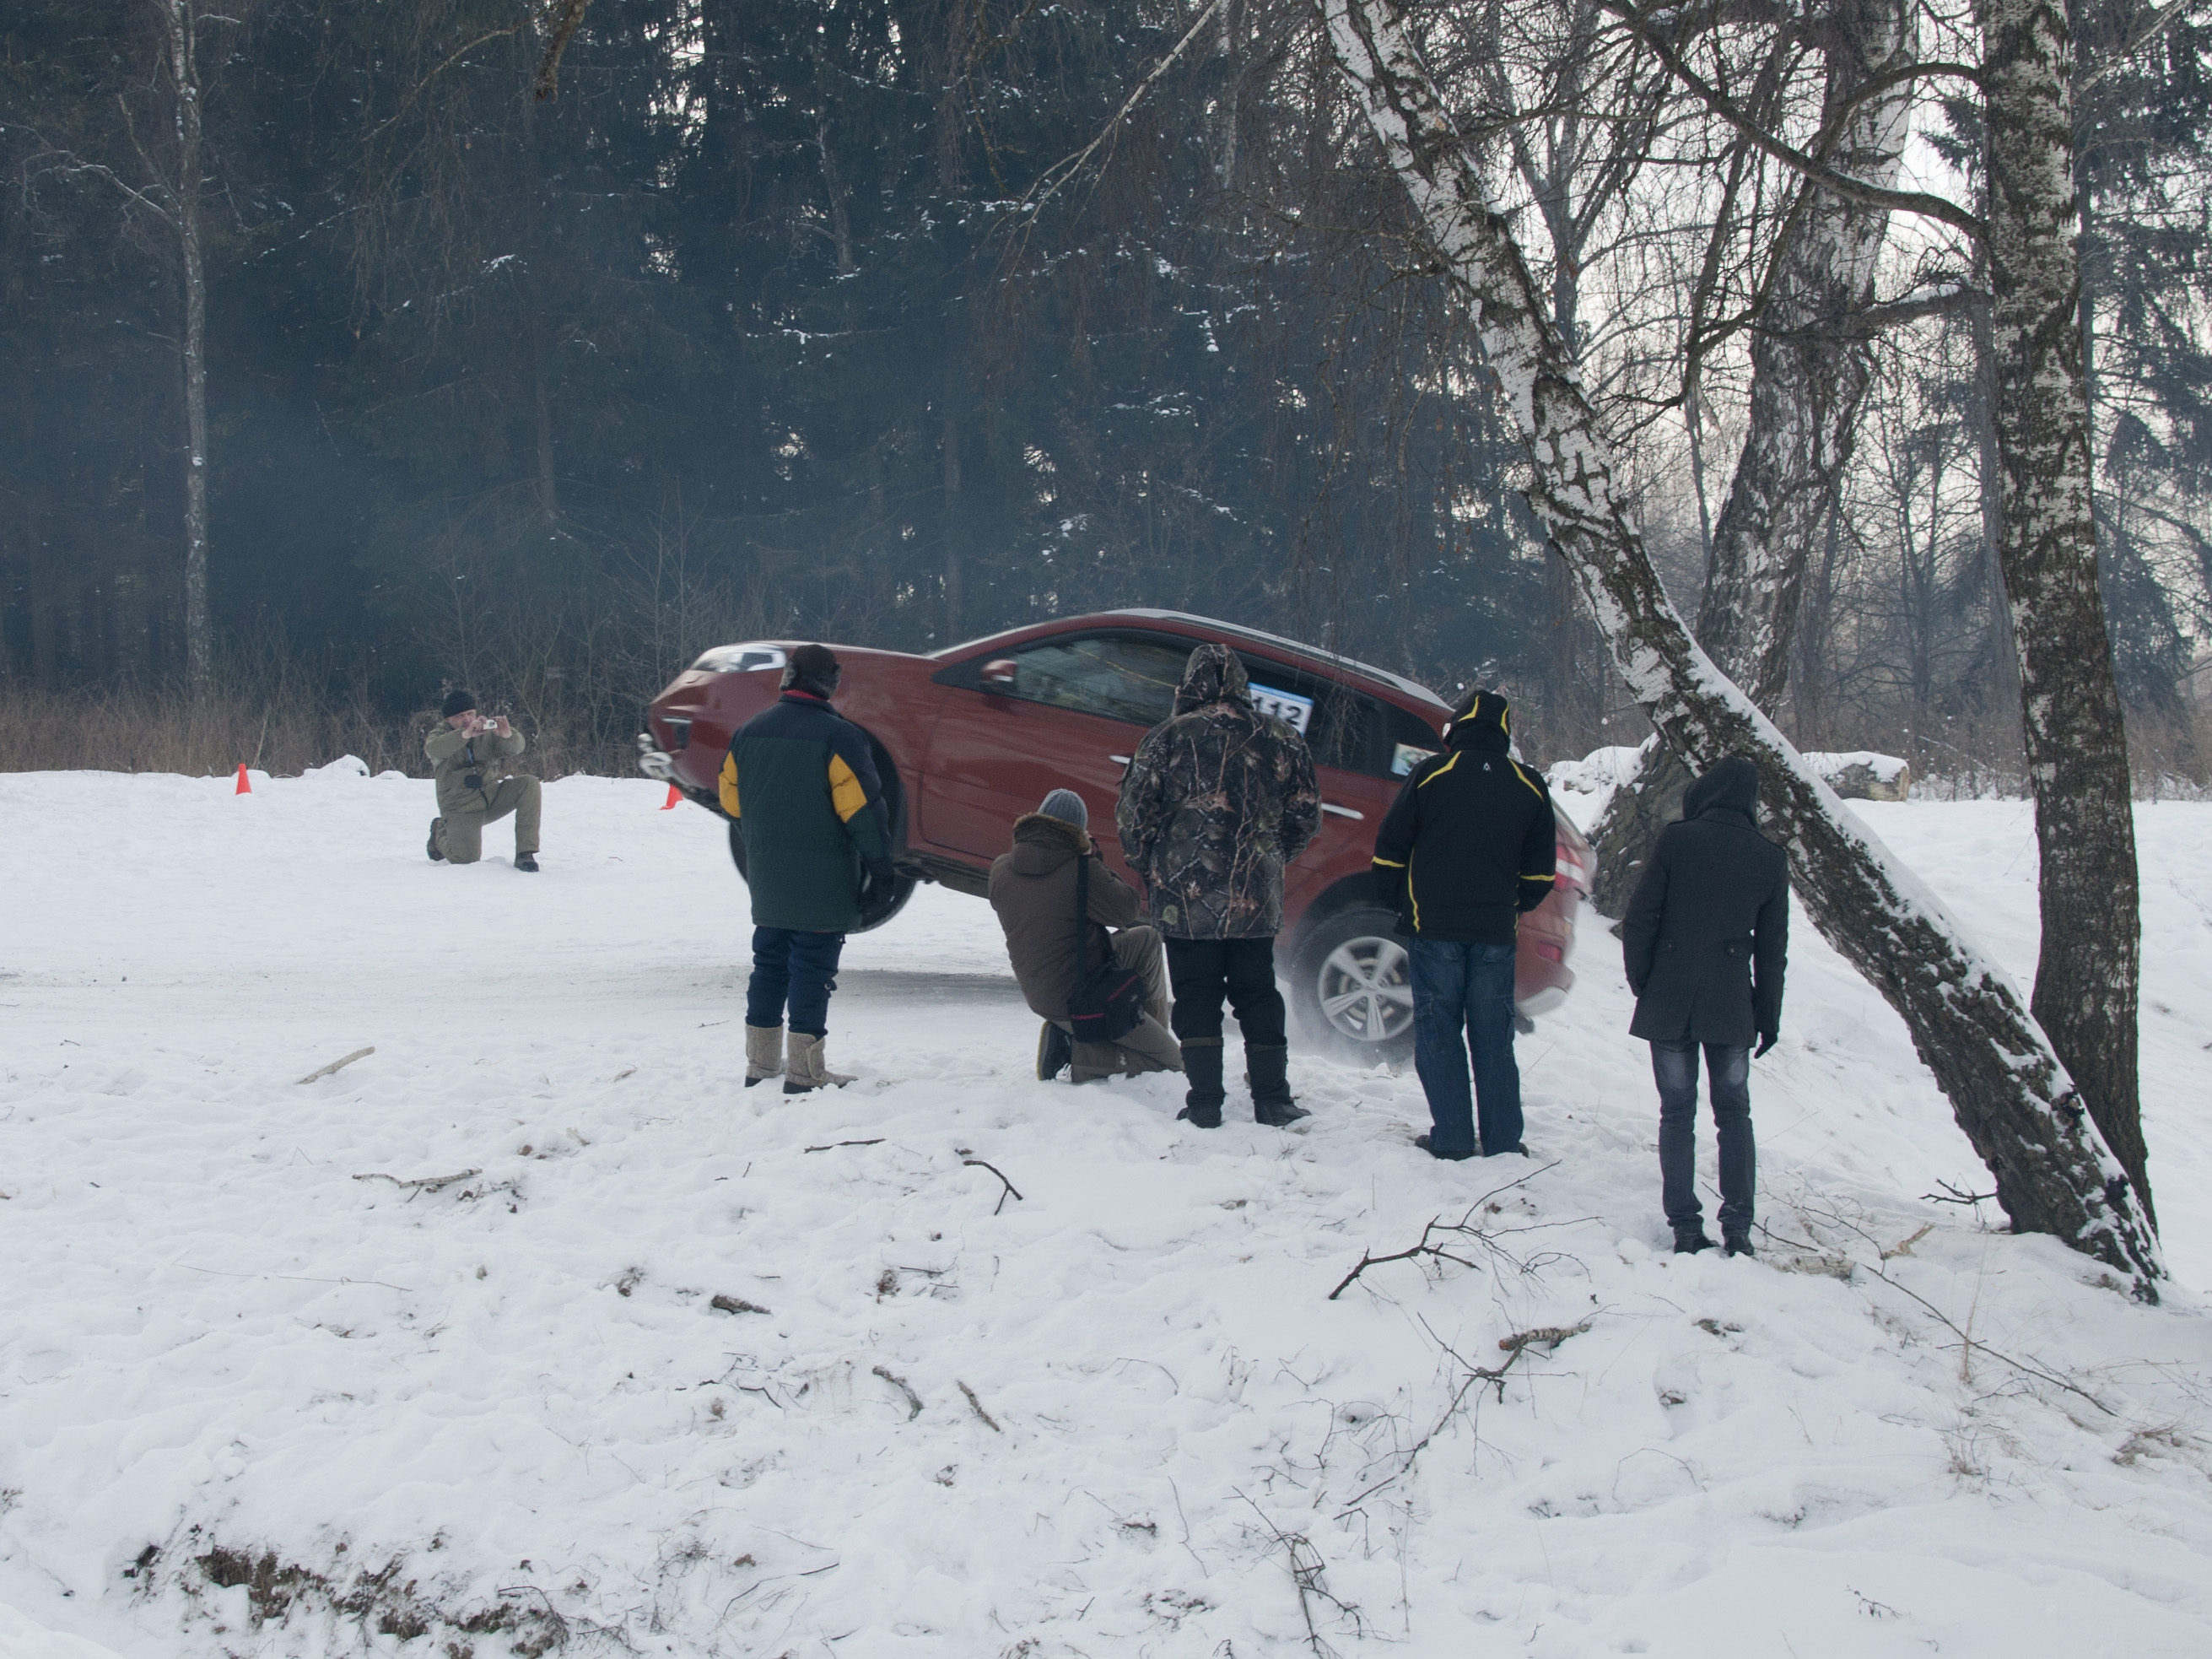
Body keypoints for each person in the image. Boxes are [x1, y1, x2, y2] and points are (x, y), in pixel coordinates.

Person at [1116, 642, 1320, 1128]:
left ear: (1189, 684)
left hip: (1185, 900)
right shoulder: (1283, 738)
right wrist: (1270, 860)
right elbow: (1305, 817)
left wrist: (1156, 868)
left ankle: (1205, 1101)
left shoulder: (1166, 737)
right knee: (1259, 994)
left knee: (1196, 995)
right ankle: (1273, 1098)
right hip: (1255, 896)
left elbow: (1133, 817)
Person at [1371, 690, 1555, 1161]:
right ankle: (1503, 1143)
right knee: (1494, 1038)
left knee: (1439, 1032)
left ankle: (1452, 1138)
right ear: (1504, 734)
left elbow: (1390, 848)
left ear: (1456, 730)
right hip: (1495, 932)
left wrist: (1399, 903)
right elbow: (1540, 874)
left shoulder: (1431, 773)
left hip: (1433, 926)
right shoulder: (1530, 784)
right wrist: (1513, 906)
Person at [1621, 754, 1789, 1256]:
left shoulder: (1678, 839)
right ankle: (1738, 1227)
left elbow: (1640, 917)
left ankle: (1685, 1227)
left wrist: (1644, 980)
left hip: (1670, 997)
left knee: (1676, 1113)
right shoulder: (1769, 857)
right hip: (1731, 1003)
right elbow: (1772, 950)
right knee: (1734, 1114)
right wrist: (1768, 1016)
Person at [721, 643, 895, 1094]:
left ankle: (760, 1064)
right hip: (825, 882)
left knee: (768, 964)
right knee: (811, 971)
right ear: (830, 682)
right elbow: (864, 814)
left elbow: (731, 802)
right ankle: (805, 1072)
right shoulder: (840, 738)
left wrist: (764, 840)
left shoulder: (747, 732)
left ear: (788, 678)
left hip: (768, 878)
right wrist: (882, 872)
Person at [988, 787, 1184, 1083]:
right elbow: (1126, 909)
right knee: (1173, 1063)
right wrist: (1091, 858)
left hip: (1042, 988)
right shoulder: (1080, 871)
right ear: (1078, 832)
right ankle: (1076, 1054)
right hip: (1080, 997)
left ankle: (1146, 1032)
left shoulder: (1001, 868)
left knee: (1145, 939)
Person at [425, 690, 541, 871]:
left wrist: (507, 735)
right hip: (461, 809)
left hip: (492, 798)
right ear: (448, 719)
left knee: (529, 783)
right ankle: (439, 829)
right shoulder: (440, 735)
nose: (467, 719)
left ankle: (525, 853)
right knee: (465, 859)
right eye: (460, 716)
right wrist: (464, 735)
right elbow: (435, 749)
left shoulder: (486, 731)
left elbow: (516, 748)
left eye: (470, 713)